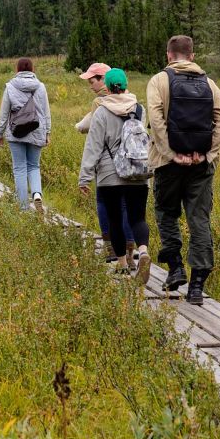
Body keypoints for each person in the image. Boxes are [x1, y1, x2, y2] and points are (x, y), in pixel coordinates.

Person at [146, 35, 220, 306]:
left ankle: (175, 268)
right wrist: (207, 154)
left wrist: (171, 153)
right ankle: (196, 286)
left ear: (169, 55)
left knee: (166, 212)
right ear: (192, 56)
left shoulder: (159, 81)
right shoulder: (209, 83)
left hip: (167, 164)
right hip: (201, 166)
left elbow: (156, 119)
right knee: (199, 220)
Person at [78, 68, 151, 283]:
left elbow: (93, 147)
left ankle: (122, 264)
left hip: (110, 175)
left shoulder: (101, 111)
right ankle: (144, 252)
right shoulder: (139, 109)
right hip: (138, 171)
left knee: (115, 219)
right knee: (138, 217)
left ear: (107, 87)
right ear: (126, 84)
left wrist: (85, 177)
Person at [76, 62, 136, 262]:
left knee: (104, 203)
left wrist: (84, 176)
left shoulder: (99, 103)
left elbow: (93, 134)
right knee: (126, 206)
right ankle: (129, 246)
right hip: (131, 163)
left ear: (104, 80)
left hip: (107, 165)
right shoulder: (132, 100)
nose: (90, 85)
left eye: (92, 81)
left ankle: (111, 247)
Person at [0, 57, 52, 210]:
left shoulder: (10, 87)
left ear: (17, 70)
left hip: (16, 132)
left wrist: (0, 133)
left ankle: (23, 206)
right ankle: (36, 194)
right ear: (32, 70)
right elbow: (46, 112)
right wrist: (47, 132)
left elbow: (4, 113)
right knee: (34, 165)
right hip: (37, 129)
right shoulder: (40, 87)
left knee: (19, 168)